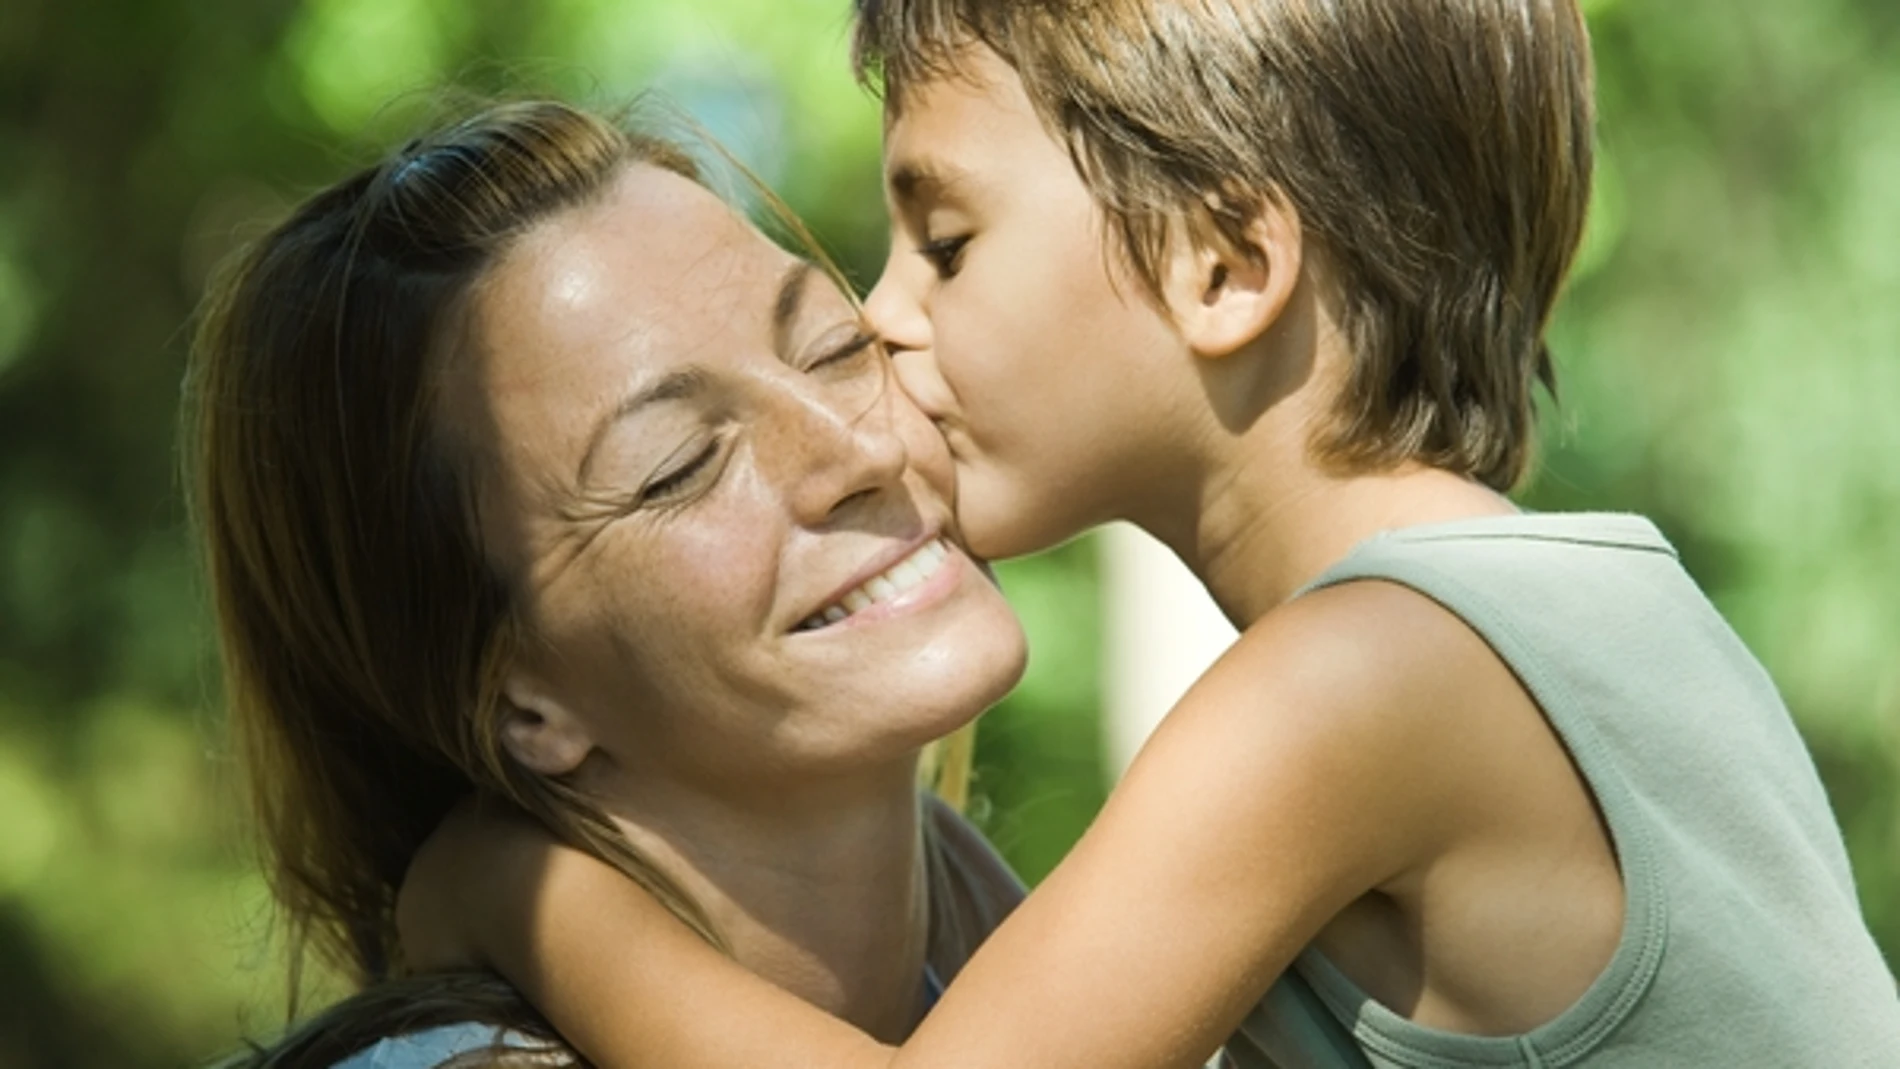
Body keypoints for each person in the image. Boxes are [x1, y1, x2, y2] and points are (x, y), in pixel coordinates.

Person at [409, 1, 1900, 1066]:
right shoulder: (1581, 614)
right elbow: (1006, 972)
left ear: (1225, 263)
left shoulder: (1356, 685)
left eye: (947, 242)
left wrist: (532, 897)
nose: (880, 315)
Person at [187, 98, 1029, 1069]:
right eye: (677, 465)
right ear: (522, 700)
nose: (858, 446)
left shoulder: (978, 955)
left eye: (837, 348)